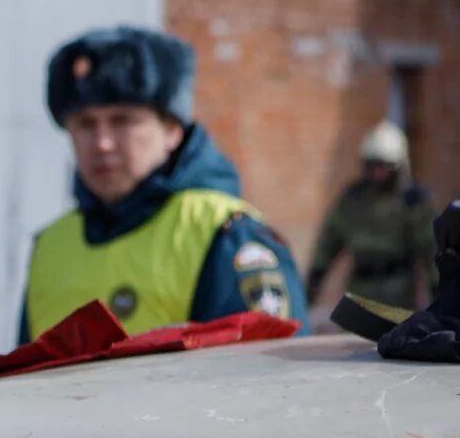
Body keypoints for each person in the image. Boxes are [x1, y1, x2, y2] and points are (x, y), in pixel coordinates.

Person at [20, 27, 307, 345]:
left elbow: (269, 385)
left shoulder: (226, 235)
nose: (102, 143)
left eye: (122, 121)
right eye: (85, 124)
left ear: (173, 130)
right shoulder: (50, 245)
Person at [305, 120, 437, 314]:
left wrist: (440, 293)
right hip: (360, 291)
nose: (378, 172)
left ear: (398, 166)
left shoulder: (414, 202)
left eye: (384, 166)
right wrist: (310, 288)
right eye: (373, 165)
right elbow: (327, 245)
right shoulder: (352, 199)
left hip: (399, 293)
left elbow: (431, 251)